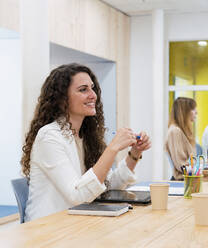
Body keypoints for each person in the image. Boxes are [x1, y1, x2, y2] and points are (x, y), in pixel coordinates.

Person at [21, 63, 151, 222]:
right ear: (62, 99)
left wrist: (134, 154)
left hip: (75, 223)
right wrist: (113, 148)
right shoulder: (49, 137)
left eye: (92, 88)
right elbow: (78, 196)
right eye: (83, 90)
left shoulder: (85, 136)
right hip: (48, 230)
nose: (93, 95)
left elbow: (108, 186)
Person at [165, 97, 197, 180]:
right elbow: (182, 165)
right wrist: (200, 169)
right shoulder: (175, 131)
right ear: (185, 112)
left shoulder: (181, 131)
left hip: (187, 180)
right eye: (193, 109)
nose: (196, 112)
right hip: (181, 181)